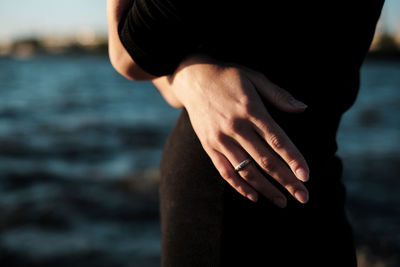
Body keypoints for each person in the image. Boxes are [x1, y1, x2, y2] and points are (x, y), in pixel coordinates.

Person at [107, 1, 385, 266]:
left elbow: (127, 54)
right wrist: (192, 81)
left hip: (222, 198)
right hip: (316, 184)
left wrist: (190, 77)